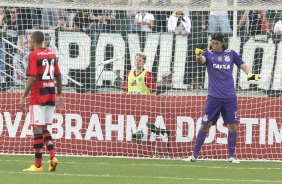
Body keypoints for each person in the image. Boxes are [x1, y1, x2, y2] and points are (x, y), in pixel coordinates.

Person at [186, 32, 260, 163]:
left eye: (216, 43)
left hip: (229, 97)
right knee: (205, 125)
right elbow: (201, 61)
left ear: (222, 43)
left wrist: (250, 75)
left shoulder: (231, 54)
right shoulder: (208, 54)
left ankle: (231, 157)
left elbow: (243, 65)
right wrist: (198, 55)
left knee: (232, 126)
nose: (213, 45)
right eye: (212, 43)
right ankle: (194, 155)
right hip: (213, 97)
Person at [19, 31, 63, 172]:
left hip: (38, 95)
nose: (29, 42)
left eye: (29, 40)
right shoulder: (51, 53)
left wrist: (23, 96)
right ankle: (52, 156)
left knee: (37, 129)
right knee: (44, 128)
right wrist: (60, 94)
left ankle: (38, 165)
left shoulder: (33, 55)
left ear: (33, 40)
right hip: (51, 94)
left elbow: (32, 78)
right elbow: (58, 75)